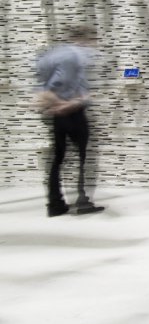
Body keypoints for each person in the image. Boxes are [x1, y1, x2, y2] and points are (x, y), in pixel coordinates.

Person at [35, 26, 105, 217]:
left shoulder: (50, 54)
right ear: (82, 39)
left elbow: (40, 84)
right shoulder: (74, 57)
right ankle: (82, 201)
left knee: (57, 159)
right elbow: (63, 83)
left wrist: (49, 104)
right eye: (91, 41)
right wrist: (66, 104)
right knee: (82, 157)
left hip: (55, 114)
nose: (93, 46)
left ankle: (55, 204)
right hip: (71, 112)